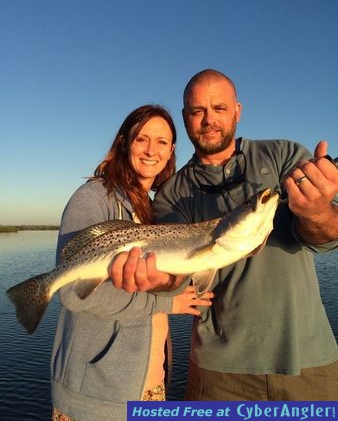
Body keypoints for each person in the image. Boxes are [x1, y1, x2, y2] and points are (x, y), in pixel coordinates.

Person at [110, 70, 338, 401]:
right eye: (197, 110)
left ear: (237, 111)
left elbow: (326, 237)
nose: (208, 120)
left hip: (310, 363)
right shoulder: (172, 193)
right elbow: (178, 279)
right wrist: (157, 280)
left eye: (219, 108)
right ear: (186, 117)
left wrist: (317, 209)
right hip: (219, 373)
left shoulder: (285, 155)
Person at [51, 104, 213, 421]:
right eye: (142, 139)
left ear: (171, 151)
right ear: (124, 142)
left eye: (162, 142)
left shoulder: (152, 209)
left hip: (150, 387)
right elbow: (71, 291)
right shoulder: (93, 197)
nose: (152, 150)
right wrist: (168, 305)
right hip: (97, 396)